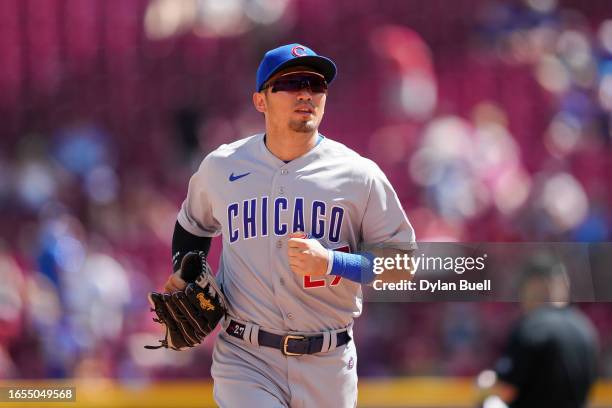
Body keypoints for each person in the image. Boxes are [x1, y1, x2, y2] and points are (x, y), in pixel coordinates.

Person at [163, 43, 416, 407]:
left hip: (329, 362)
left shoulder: (358, 175)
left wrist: (334, 262)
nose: (306, 94)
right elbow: (193, 225)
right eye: (292, 83)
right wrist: (184, 272)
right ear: (260, 101)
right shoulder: (222, 166)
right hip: (246, 357)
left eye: (316, 85)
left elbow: (403, 264)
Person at [480, 254, 599, 408]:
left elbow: (506, 389)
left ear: (533, 286)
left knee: (490, 403)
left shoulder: (532, 327)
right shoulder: (585, 327)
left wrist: (486, 386)